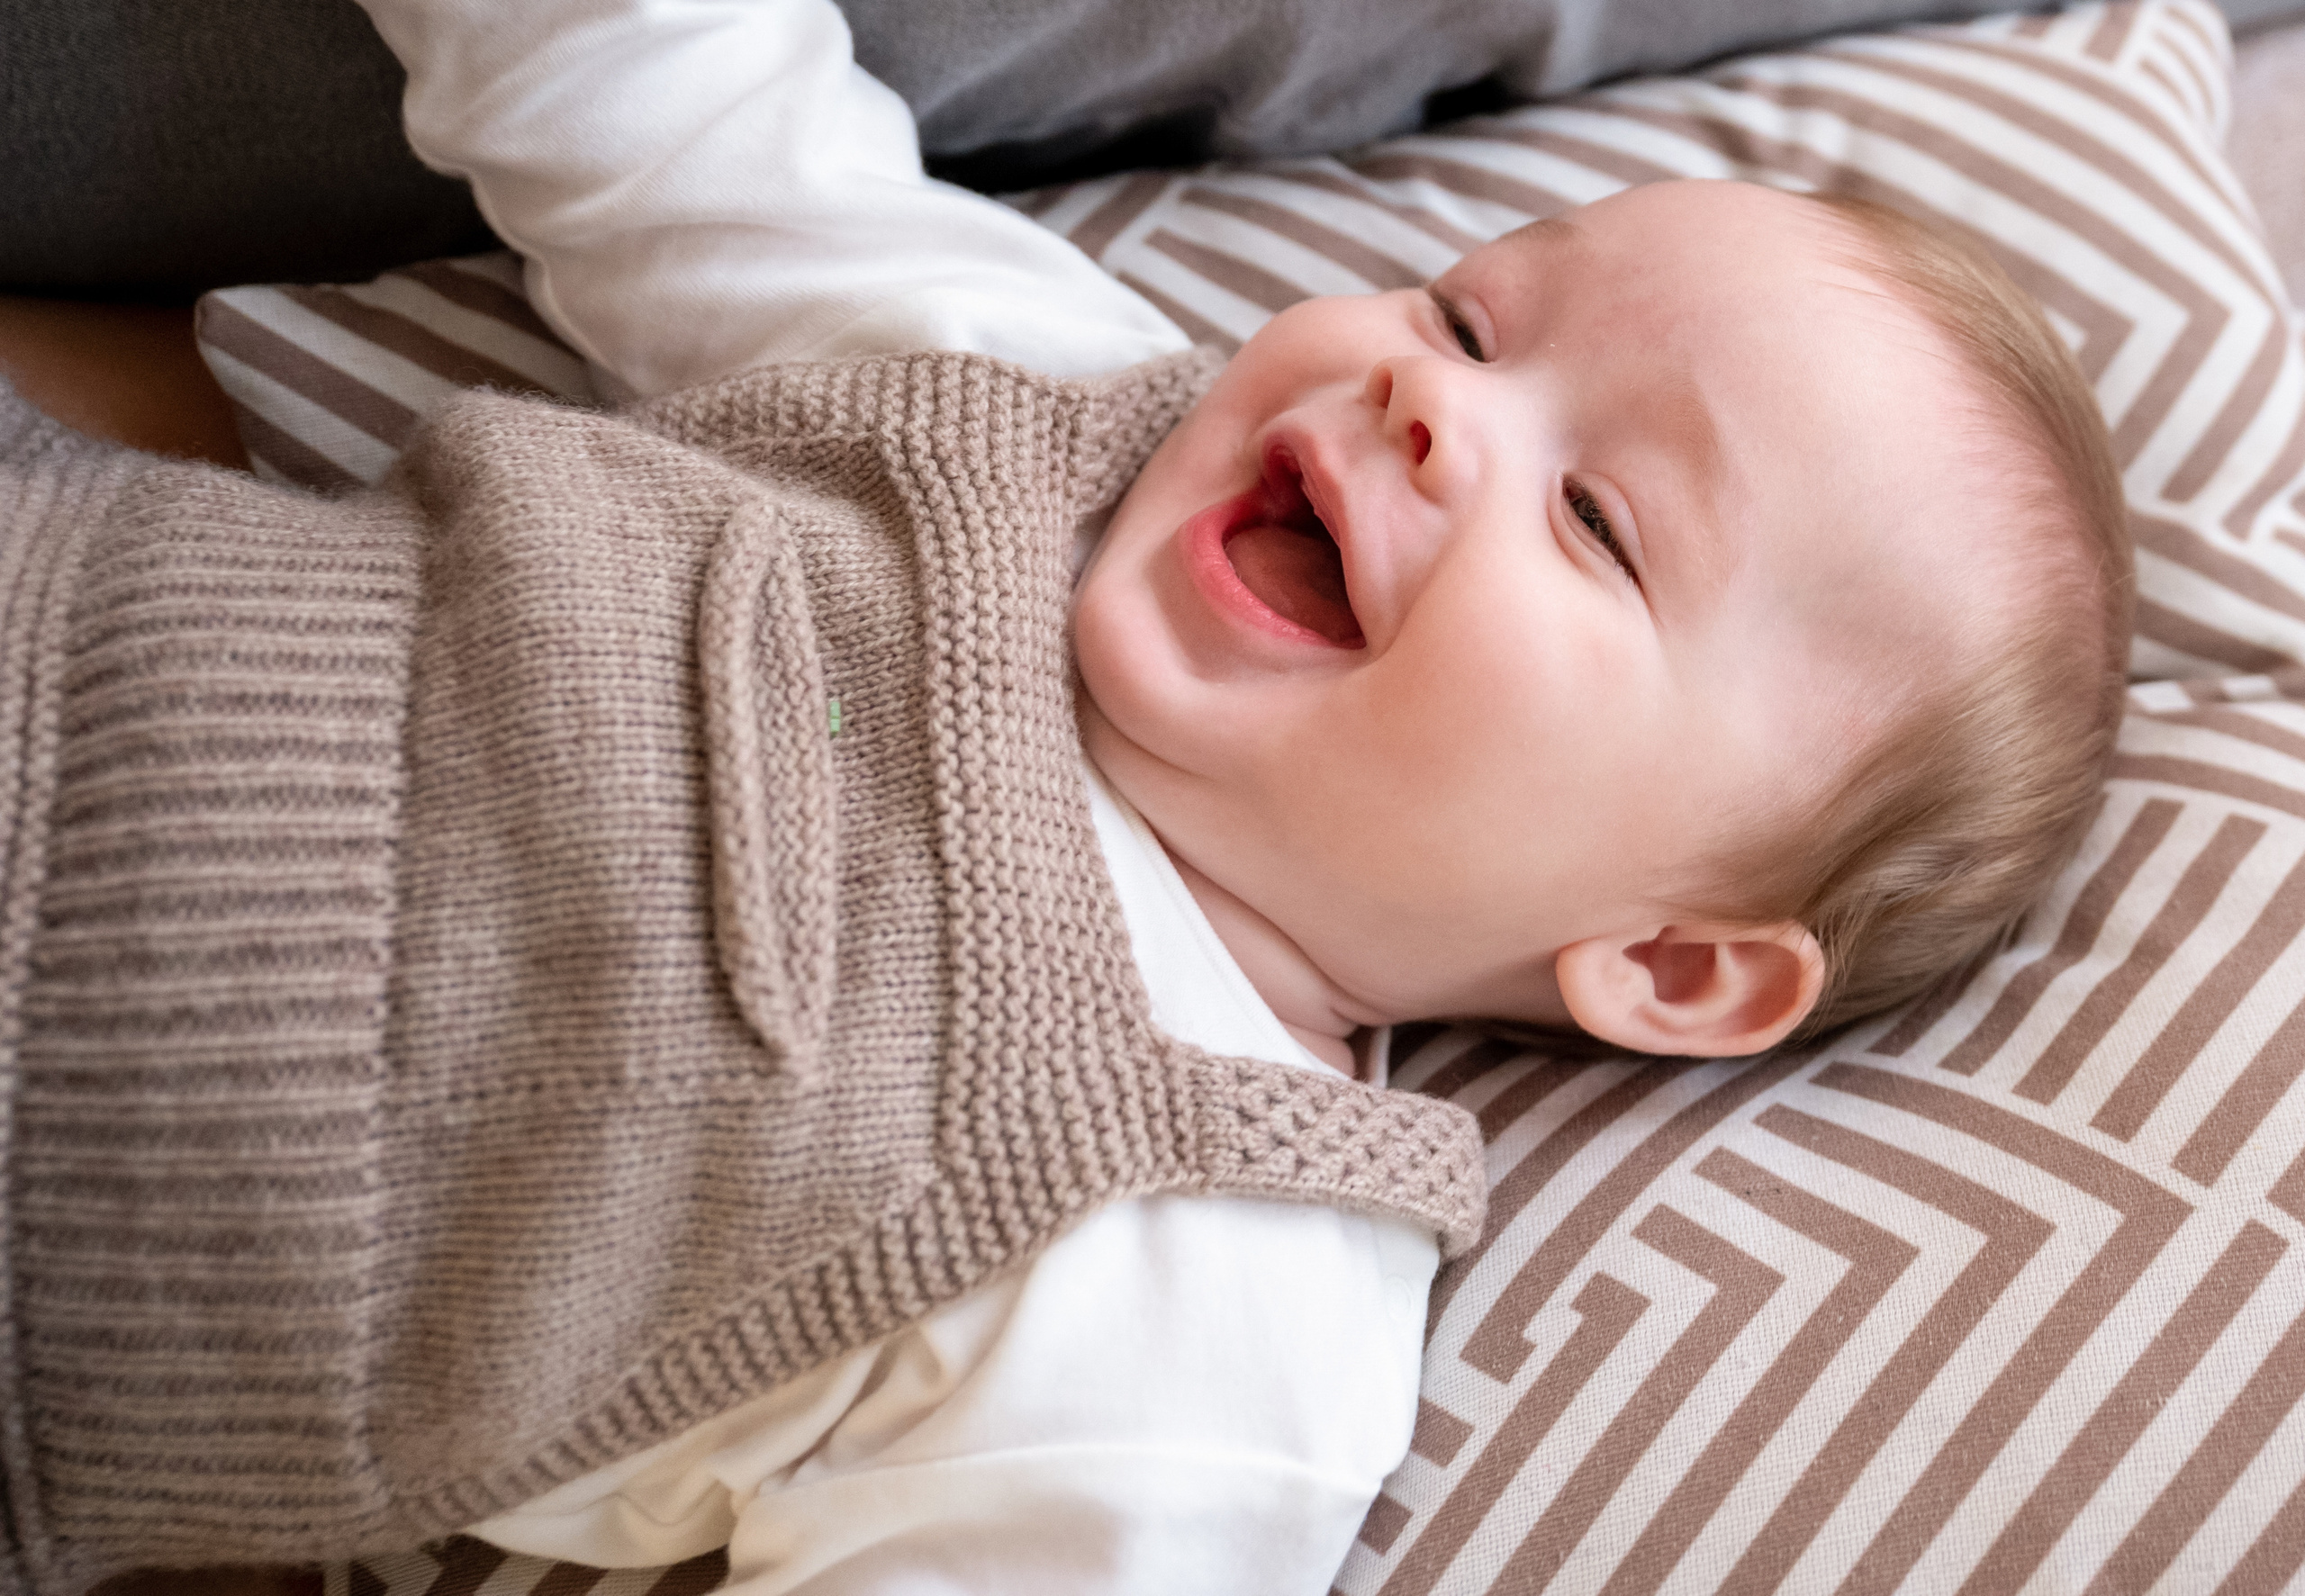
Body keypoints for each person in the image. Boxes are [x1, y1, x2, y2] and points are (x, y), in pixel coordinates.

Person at [0, 2, 2129, 1593]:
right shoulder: (1027, 396)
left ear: (1667, 956)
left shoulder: (1203, 1292)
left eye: (1594, 518)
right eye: (1476, 312)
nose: (1424, 392)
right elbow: (671, 125)